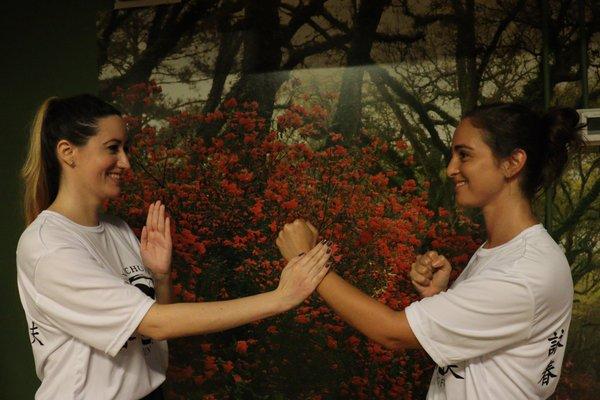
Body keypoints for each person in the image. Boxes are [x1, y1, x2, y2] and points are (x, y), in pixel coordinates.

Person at [16, 94, 331, 400]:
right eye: (113, 149)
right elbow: (156, 323)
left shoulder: (118, 230)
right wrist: (280, 298)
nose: (125, 162)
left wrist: (160, 277)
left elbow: (152, 328)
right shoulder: (48, 246)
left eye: (126, 149)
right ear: (68, 152)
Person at [276, 103, 583, 399]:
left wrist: (307, 261)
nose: (451, 169)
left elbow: (391, 332)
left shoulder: (525, 272)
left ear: (512, 163)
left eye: (464, 155)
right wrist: (440, 298)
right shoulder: (504, 252)